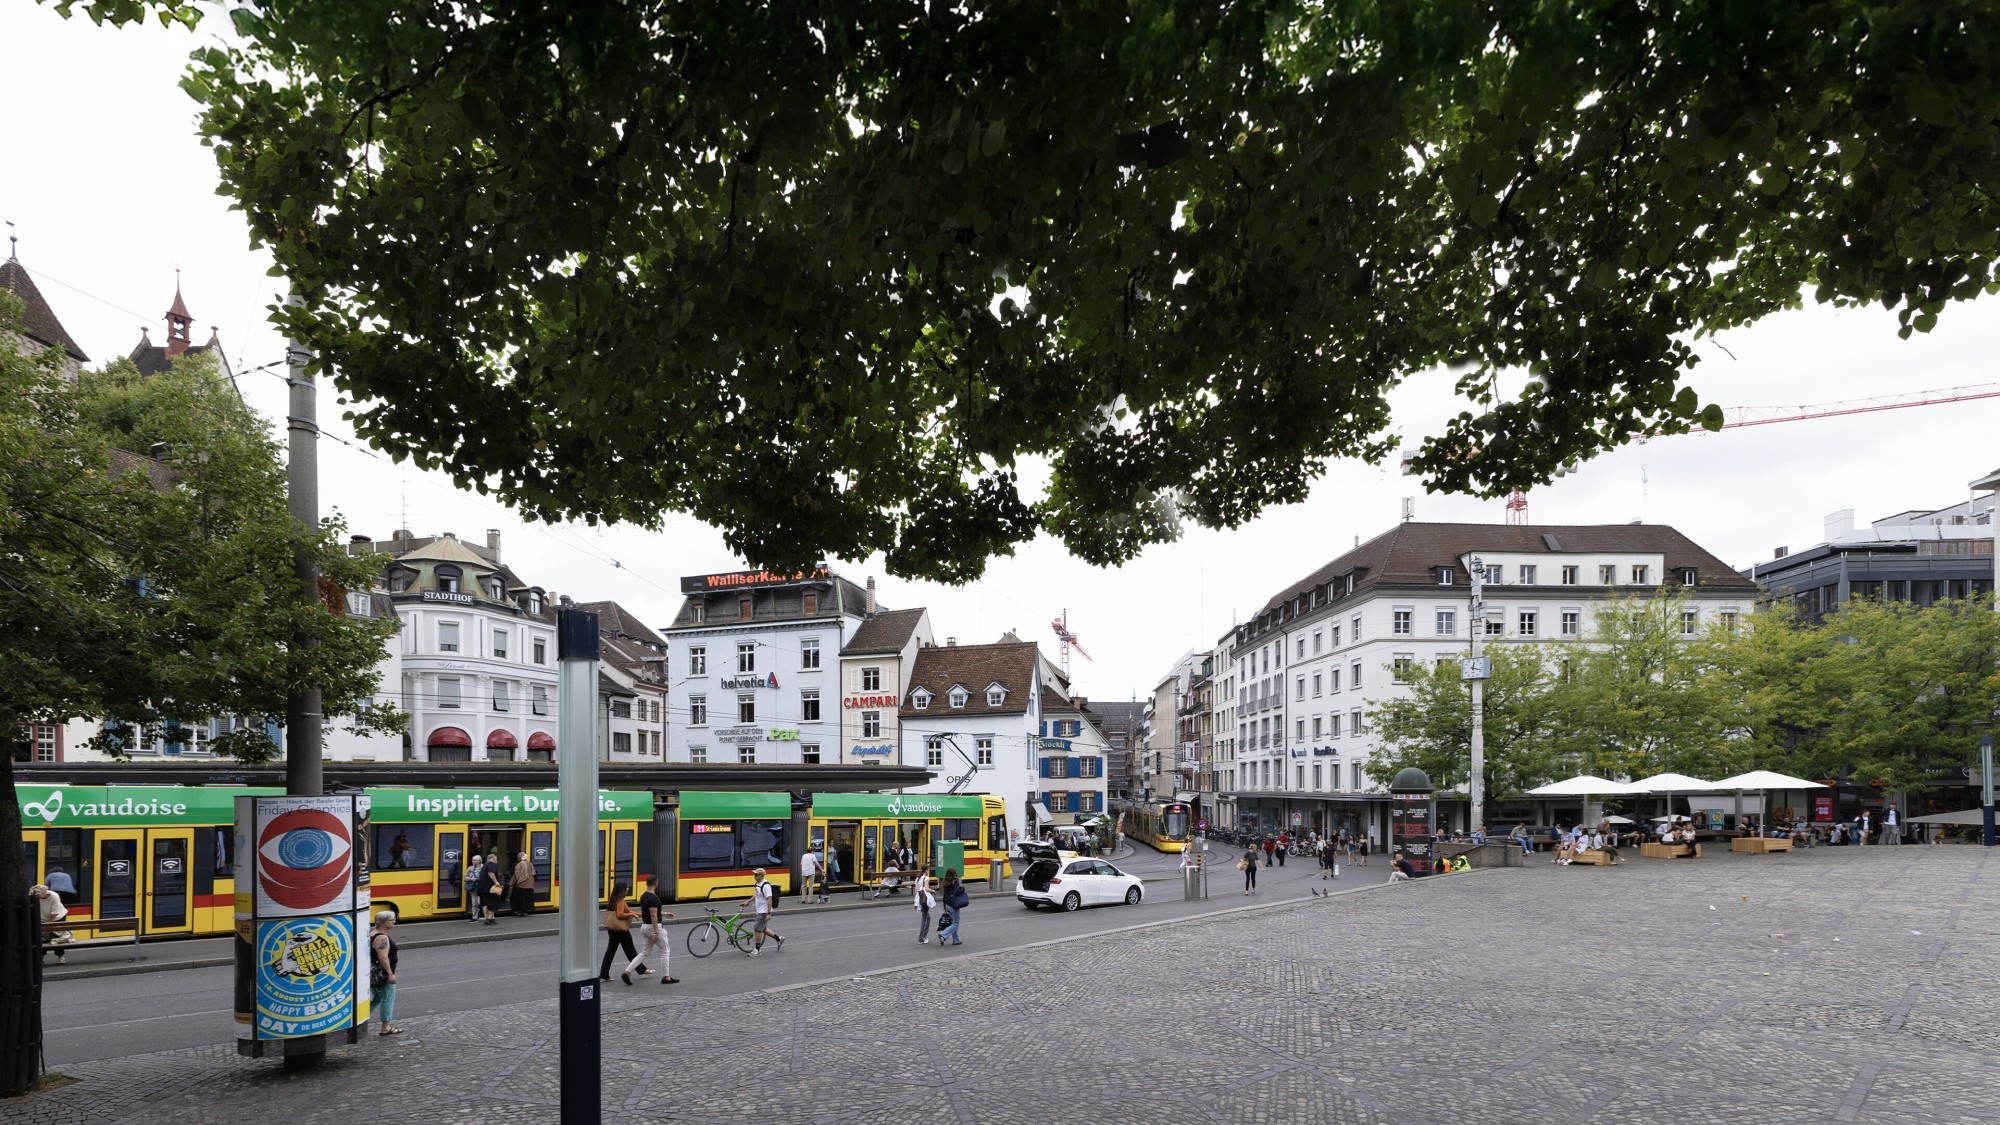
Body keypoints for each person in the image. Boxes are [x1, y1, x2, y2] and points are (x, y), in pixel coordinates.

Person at [629, 874, 678, 984]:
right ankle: (666, 977)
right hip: (653, 927)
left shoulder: (643, 896)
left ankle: (627, 972)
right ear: (656, 883)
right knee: (665, 951)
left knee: (645, 953)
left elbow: (649, 912)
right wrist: (656, 932)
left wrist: (665, 914)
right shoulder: (653, 898)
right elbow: (653, 916)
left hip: (644, 927)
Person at [600, 881, 640, 983]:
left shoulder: (613, 900)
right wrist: (632, 915)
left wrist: (638, 914)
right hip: (620, 929)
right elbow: (620, 915)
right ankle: (642, 969)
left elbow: (628, 911)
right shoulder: (621, 901)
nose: (628, 889)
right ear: (622, 890)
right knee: (630, 950)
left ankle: (604, 974)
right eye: (626, 888)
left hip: (612, 928)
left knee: (610, 951)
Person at [369, 909, 401, 1035]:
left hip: (376, 973)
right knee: (388, 998)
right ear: (382, 923)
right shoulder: (381, 937)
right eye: (391, 920)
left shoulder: (374, 933)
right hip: (382, 974)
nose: (394, 921)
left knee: (377, 998)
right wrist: (390, 974)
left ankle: (359, 1019)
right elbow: (383, 957)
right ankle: (385, 1027)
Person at [744, 867, 784, 955]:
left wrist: (769, 913)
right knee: (763, 928)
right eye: (754, 874)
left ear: (761, 875)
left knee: (757, 929)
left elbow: (769, 899)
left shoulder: (766, 886)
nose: (754, 876)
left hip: (764, 911)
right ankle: (779, 939)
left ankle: (757, 949)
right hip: (760, 910)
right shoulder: (758, 884)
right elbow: (756, 895)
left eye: (756, 875)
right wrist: (748, 901)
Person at [31, 885, 71, 965]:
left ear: (45, 893)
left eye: (40, 897)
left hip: (58, 917)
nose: (39, 898)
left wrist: (46, 926)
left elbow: (54, 915)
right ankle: (41, 957)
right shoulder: (34, 895)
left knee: (56, 936)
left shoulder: (54, 896)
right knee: (41, 938)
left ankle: (60, 956)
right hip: (42, 919)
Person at [937, 868, 968, 946]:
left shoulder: (945, 882)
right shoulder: (955, 881)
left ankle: (956, 940)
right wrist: (962, 889)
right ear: (954, 874)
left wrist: (944, 906)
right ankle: (943, 934)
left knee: (953, 922)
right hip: (953, 905)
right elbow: (956, 892)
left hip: (947, 905)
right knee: (956, 923)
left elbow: (944, 895)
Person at [912, 865, 937, 943]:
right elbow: (926, 889)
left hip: (920, 899)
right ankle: (921, 938)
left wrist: (915, 902)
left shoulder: (918, 879)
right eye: (928, 870)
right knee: (924, 919)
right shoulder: (926, 878)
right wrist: (933, 891)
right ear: (926, 870)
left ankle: (924, 936)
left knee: (927, 918)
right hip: (925, 900)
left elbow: (915, 891)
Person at [480, 853, 504, 925]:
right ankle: (489, 919)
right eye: (496, 859)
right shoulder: (491, 864)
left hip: (483, 889)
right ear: (493, 858)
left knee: (485, 904)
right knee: (493, 904)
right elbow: (490, 873)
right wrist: (496, 882)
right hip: (490, 889)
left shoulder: (484, 865)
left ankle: (486, 918)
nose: (497, 861)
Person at [510, 851, 535, 917]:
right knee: (527, 899)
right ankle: (525, 911)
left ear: (519, 857)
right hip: (530, 885)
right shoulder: (530, 863)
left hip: (522, 885)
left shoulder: (519, 864)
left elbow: (516, 875)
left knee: (516, 897)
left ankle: (519, 911)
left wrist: (511, 884)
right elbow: (533, 873)